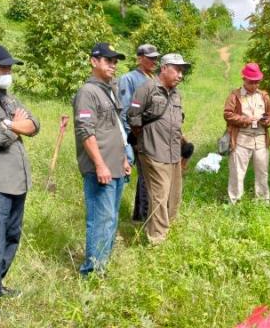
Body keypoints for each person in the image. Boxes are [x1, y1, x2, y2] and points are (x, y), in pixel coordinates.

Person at [0, 44, 39, 321]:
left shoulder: (6, 98)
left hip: (17, 180)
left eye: (9, 68)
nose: (8, 72)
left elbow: (35, 124)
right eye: (2, 68)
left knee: (10, 237)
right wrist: (14, 127)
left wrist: (7, 124)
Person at [73, 42, 131, 276]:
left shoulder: (107, 89)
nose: (113, 65)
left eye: (115, 61)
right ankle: (92, 271)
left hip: (115, 165)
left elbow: (116, 128)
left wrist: (124, 160)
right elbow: (86, 132)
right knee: (101, 219)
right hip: (101, 168)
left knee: (111, 218)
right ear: (94, 61)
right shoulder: (88, 92)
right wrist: (99, 164)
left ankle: (102, 264)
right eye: (108, 60)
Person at [127, 53, 190, 245]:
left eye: (182, 71)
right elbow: (133, 117)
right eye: (177, 70)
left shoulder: (176, 94)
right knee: (159, 196)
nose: (180, 75)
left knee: (174, 195)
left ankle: (166, 229)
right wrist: (145, 142)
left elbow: (176, 122)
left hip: (173, 153)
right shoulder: (147, 88)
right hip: (153, 152)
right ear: (164, 68)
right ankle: (156, 239)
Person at [118, 44, 159, 222]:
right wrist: (130, 137)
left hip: (152, 135)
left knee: (147, 175)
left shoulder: (154, 78)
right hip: (136, 135)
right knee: (140, 175)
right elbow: (125, 109)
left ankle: (140, 214)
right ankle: (139, 216)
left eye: (155, 58)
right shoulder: (129, 79)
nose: (153, 61)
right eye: (150, 58)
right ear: (139, 58)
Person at [224, 63, 270, 204]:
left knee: (262, 172)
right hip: (241, 138)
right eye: (251, 82)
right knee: (237, 173)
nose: (254, 85)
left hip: (260, 139)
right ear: (244, 79)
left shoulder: (264, 96)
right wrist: (246, 119)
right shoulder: (235, 96)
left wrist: (267, 121)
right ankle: (234, 201)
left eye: (257, 82)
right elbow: (228, 114)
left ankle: (263, 201)